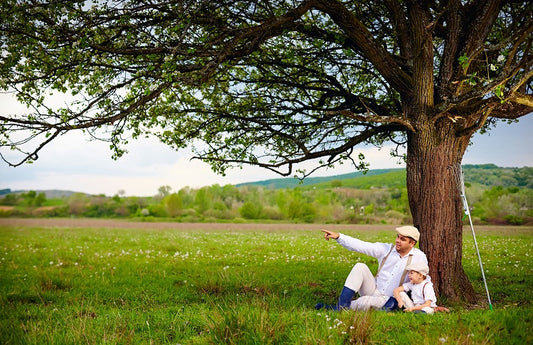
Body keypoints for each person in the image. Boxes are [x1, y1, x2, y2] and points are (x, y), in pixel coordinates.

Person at [316, 226, 427, 311]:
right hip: (374, 289)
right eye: (398, 237)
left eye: (402, 239)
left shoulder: (419, 257)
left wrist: (430, 305)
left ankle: (337, 309)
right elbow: (361, 245)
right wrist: (339, 237)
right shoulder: (386, 249)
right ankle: (341, 307)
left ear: (412, 243)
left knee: (365, 301)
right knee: (360, 267)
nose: (397, 240)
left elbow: (424, 281)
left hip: (389, 299)